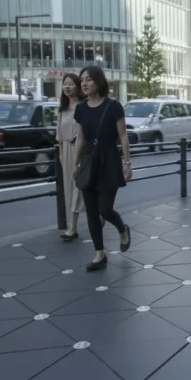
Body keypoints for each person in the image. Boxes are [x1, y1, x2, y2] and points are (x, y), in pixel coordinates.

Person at [73, 66, 132, 271]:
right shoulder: (80, 108)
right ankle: (99, 254)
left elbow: (123, 135)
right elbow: (80, 137)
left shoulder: (114, 106)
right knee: (90, 212)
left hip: (109, 159)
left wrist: (127, 163)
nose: (84, 83)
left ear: (98, 82)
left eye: (88, 79)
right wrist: (76, 163)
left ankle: (122, 229)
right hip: (89, 160)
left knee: (104, 209)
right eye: (82, 80)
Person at [57, 73, 85, 241]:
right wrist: (61, 157)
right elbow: (59, 138)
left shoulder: (84, 106)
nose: (67, 87)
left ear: (78, 86)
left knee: (80, 188)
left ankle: (100, 214)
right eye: (64, 84)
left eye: (70, 84)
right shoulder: (62, 109)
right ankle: (73, 227)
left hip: (81, 150)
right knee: (70, 189)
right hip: (66, 151)